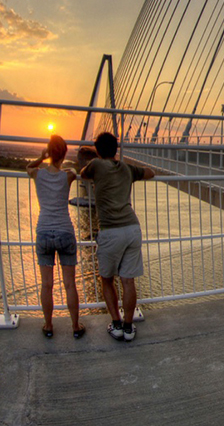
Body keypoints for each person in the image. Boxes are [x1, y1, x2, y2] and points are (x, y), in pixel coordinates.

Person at [80, 132, 154, 342]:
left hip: (110, 230)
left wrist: (93, 156)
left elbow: (83, 173)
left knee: (106, 279)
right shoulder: (127, 168)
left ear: (98, 151)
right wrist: (128, 168)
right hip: (132, 228)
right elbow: (150, 172)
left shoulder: (96, 165)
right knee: (128, 281)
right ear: (116, 149)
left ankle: (116, 323)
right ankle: (129, 327)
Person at [27, 135, 84, 339]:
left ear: (49, 153)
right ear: (64, 154)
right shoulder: (67, 176)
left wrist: (41, 157)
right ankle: (75, 326)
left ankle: (49, 325)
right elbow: (75, 171)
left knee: (46, 284)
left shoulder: (38, 174)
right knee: (70, 284)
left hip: (44, 232)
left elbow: (28, 167)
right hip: (65, 232)